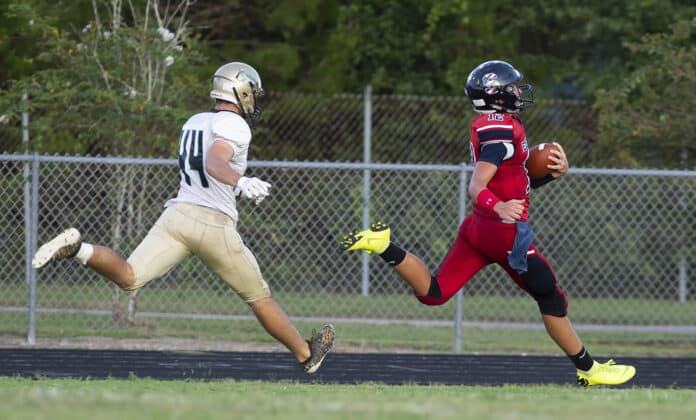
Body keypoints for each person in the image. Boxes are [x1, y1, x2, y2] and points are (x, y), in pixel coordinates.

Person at [342, 60, 635, 386]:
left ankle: (384, 245)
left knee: (435, 293)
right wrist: (499, 206)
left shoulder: (492, 124)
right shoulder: (502, 131)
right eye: (512, 87)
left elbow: (510, 181)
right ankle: (590, 370)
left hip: (478, 229)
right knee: (552, 298)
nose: (519, 91)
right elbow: (477, 187)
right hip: (504, 234)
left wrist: (552, 175)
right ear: (497, 96)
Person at [32, 61, 334, 374]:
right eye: (252, 93)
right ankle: (306, 355)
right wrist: (240, 181)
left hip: (176, 216)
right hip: (213, 223)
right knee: (259, 297)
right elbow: (214, 162)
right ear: (241, 91)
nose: (254, 99)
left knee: (130, 278)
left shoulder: (194, 121)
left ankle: (79, 248)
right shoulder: (235, 125)